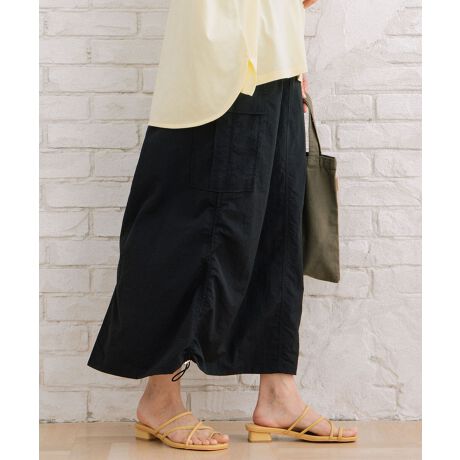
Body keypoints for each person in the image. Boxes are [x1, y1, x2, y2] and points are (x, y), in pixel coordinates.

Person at [87, 0, 358, 451]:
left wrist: (293, 58)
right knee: (189, 228)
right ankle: (159, 398)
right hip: (223, 62)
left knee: (278, 231)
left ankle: (278, 395)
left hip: (277, 61)